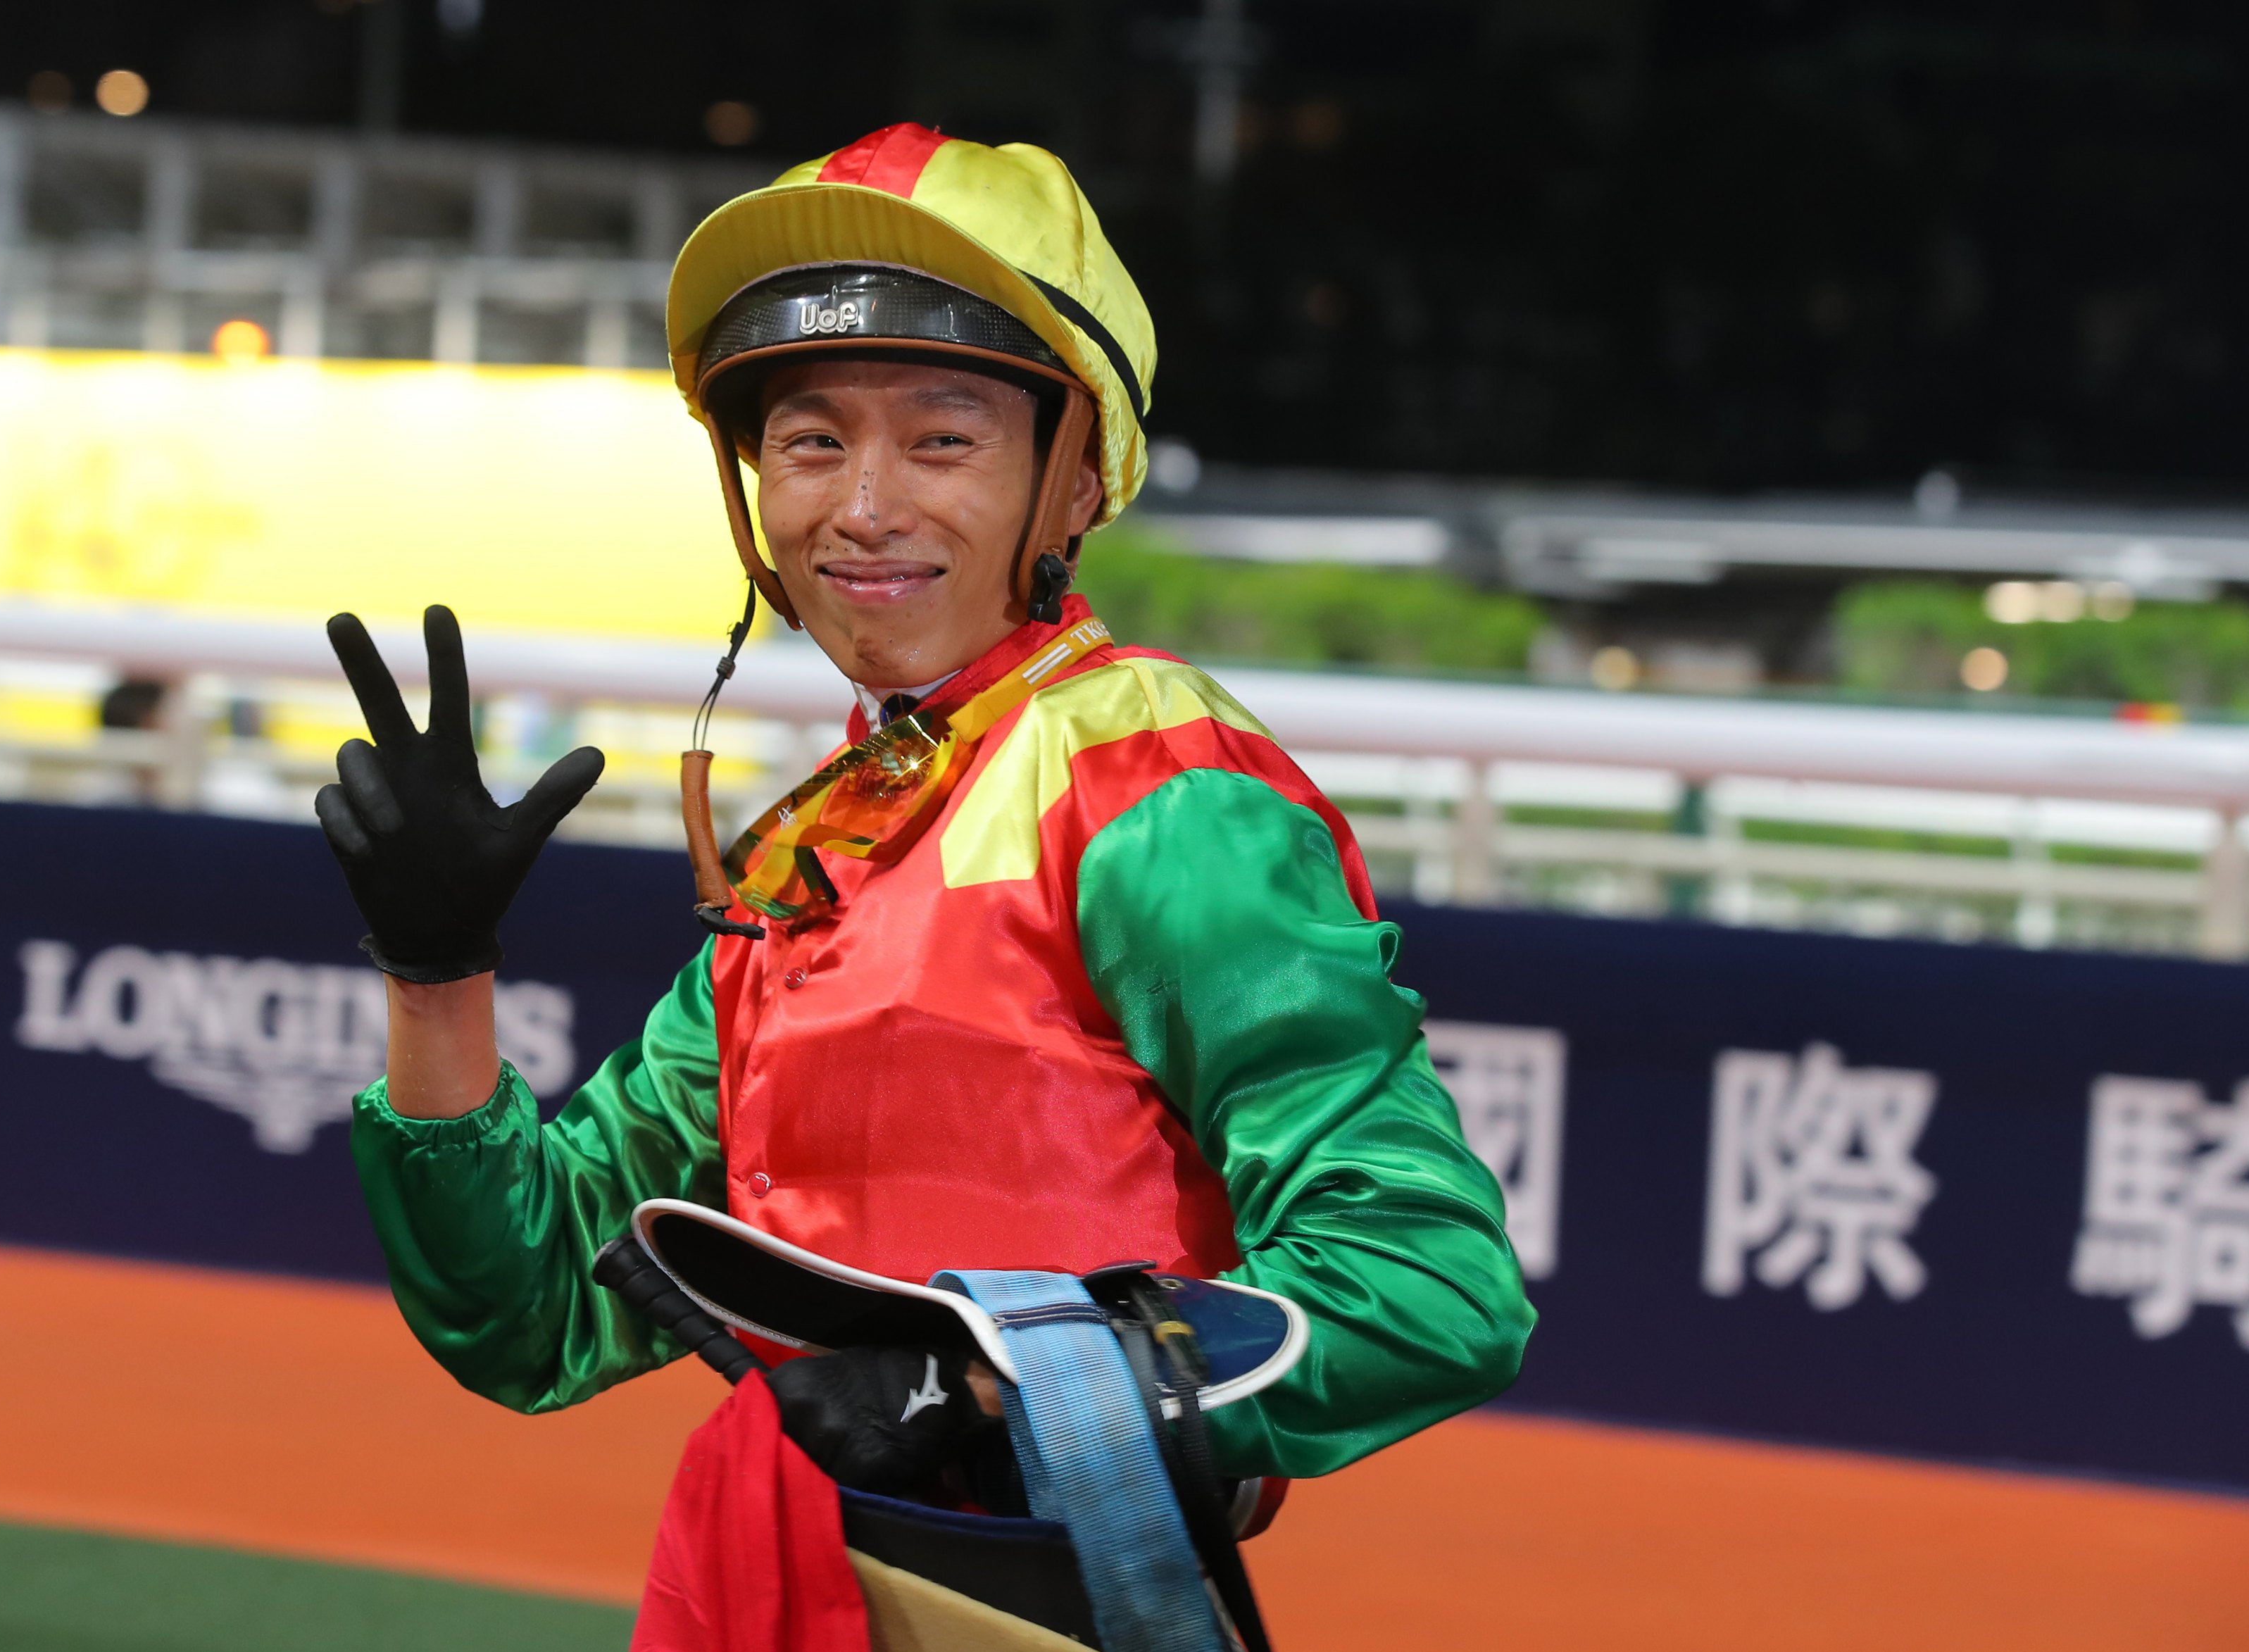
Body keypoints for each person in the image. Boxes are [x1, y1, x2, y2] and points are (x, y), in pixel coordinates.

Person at [318, 123, 1531, 1501]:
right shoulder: (812, 841)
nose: (863, 509)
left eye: (940, 439)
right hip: (766, 1624)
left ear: (1074, 481)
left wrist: (985, 1393)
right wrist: (437, 982)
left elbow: (1422, 1286)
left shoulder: (1158, 790)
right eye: (811, 442)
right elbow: (531, 1311)